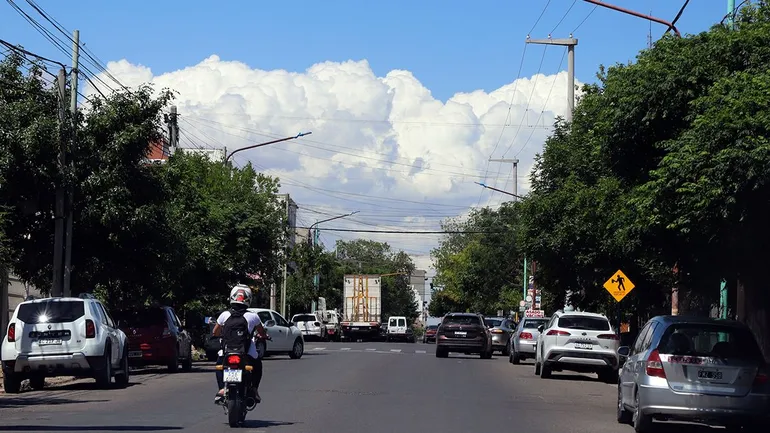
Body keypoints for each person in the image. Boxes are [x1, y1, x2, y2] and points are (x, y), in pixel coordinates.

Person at [211, 284, 268, 404]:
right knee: (258, 366)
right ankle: (254, 390)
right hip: (246, 351)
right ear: (249, 299)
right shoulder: (253, 316)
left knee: (219, 365)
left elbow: (215, 332)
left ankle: (221, 389)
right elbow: (262, 332)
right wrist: (264, 336)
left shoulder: (224, 315)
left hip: (227, 350)